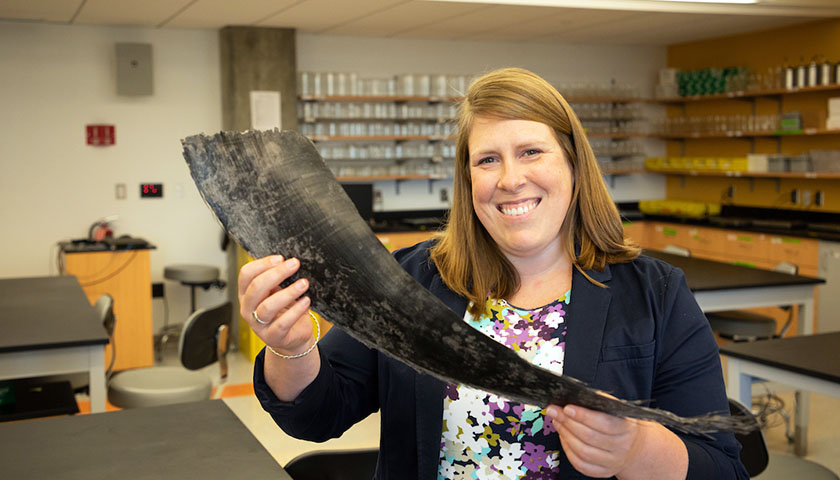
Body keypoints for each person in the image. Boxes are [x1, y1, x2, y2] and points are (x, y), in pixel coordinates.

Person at [239, 67, 748, 480]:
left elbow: (723, 470)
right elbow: (318, 414)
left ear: (572, 162)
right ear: (467, 179)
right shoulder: (413, 280)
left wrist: (636, 448)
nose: (510, 179)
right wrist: (289, 347)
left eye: (531, 151)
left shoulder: (656, 295)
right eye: (487, 159)